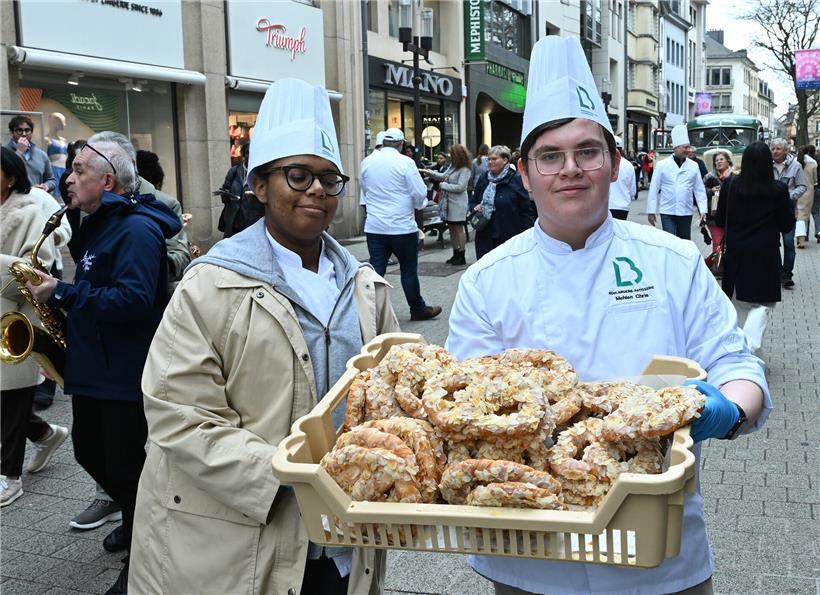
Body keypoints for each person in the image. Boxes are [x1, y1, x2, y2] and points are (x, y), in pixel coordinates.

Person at [447, 35, 769, 595]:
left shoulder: (672, 261)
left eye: (587, 152)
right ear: (525, 174)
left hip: (660, 548)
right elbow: (460, 407)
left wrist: (731, 410)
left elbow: (734, 362)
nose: (570, 169)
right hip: (529, 556)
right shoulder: (487, 280)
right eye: (550, 156)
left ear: (614, 165)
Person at [129, 78, 397, 595]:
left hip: (346, 544)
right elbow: (179, 414)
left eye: (328, 178)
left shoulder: (367, 288)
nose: (316, 190)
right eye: (296, 176)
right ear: (259, 185)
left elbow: (394, 392)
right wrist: (299, 478)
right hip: (241, 543)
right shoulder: (209, 287)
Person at [25, 134, 182, 594]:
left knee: (129, 470)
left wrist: (63, 292)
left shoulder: (135, 230)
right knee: (90, 454)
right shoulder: (97, 222)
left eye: (78, 171)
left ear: (107, 180)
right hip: (96, 366)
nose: (67, 179)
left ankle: (143, 562)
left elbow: (134, 300)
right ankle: (139, 525)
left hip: (123, 372)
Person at [0, 147, 68, 507]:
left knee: (11, 397)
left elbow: (31, 270)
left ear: (11, 176)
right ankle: (44, 433)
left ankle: (9, 477)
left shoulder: (31, 209)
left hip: (17, 319)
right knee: (5, 401)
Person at [714, 142, 794, 357]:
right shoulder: (778, 189)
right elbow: (787, 224)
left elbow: (720, 218)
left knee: (739, 303)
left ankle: (741, 350)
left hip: (736, 251)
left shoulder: (731, 185)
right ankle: (748, 350)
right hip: (765, 253)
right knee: (762, 303)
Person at [360, 127, 442, 321]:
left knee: (376, 270)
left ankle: (368, 313)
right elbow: (419, 193)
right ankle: (417, 309)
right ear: (401, 144)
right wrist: (418, 204)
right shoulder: (405, 163)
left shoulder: (367, 162)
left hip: (376, 227)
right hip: (402, 227)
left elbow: (365, 191)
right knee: (408, 270)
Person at [468, 145, 536, 260]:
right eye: (488, 159)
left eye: (494, 159)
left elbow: (526, 210)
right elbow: (473, 201)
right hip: (485, 237)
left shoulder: (515, 179)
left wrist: (528, 237)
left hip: (509, 237)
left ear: (505, 160)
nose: (490, 162)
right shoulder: (484, 178)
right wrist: (475, 207)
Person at [646, 124, 707, 240]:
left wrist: (703, 210)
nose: (688, 150)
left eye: (689, 147)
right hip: (667, 211)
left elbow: (699, 189)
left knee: (684, 242)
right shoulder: (662, 165)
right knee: (669, 241)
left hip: (686, 211)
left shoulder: (694, 166)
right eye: (685, 147)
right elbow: (654, 189)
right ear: (676, 147)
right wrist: (651, 211)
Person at [422, 144, 472, 265]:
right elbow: (443, 176)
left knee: (458, 228)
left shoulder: (465, 169)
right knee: (452, 228)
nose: (451, 157)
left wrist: (444, 186)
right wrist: (429, 172)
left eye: (453, 155)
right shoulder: (454, 167)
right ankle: (455, 253)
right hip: (449, 202)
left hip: (458, 203)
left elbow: (461, 187)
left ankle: (462, 254)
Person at [770, 138, 807, 288]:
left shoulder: (795, 166)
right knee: (773, 243)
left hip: (788, 210)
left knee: (788, 243)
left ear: (786, 151)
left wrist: (788, 196)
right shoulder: (766, 165)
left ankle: (787, 274)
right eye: (773, 148)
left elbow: (802, 186)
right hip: (770, 211)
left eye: (778, 149)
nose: (775, 151)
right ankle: (778, 272)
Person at [218, 142, 265, 238]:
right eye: (247, 153)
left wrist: (258, 196)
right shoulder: (234, 171)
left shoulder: (262, 174)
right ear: (244, 154)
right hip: (233, 224)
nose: (250, 156)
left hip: (254, 225)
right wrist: (226, 195)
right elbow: (225, 195)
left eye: (253, 153)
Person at [6, 115, 56, 194]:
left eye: (27, 130)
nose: (24, 134)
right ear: (12, 132)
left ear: (31, 132)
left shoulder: (41, 155)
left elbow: (51, 180)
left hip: (35, 202)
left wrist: (46, 186)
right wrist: (19, 152)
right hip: (12, 202)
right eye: (19, 130)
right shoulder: (3, 152)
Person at [702, 149, 735, 253]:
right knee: (718, 244)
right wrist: (711, 191)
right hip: (713, 216)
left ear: (728, 162)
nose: (719, 162)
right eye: (716, 160)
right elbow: (700, 193)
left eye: (721, 159)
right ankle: (717, 268)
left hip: (732, 217)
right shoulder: (709, 177)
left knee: (731, 244)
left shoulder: (735, 176)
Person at [608, 135, 636, 220]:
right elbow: (633, 190)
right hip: (622, 206)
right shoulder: (628, 165)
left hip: (607, 205)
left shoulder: (605, 163)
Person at [795, 145, 817, 249]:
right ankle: (802, 239)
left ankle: (800, 238)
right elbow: (815, 179)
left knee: (798, 216)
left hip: (796, 190)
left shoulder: (794, 162)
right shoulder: (813, 163)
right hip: (808, 192)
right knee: (804, 216)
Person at [44, 112, 69, 197]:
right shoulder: (47, 140)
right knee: (55, 194)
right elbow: (44, 158)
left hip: (64, 171)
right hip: (54, 171)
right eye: (62, 121)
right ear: (55, 122)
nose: (64, 124)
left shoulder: (63, 140)